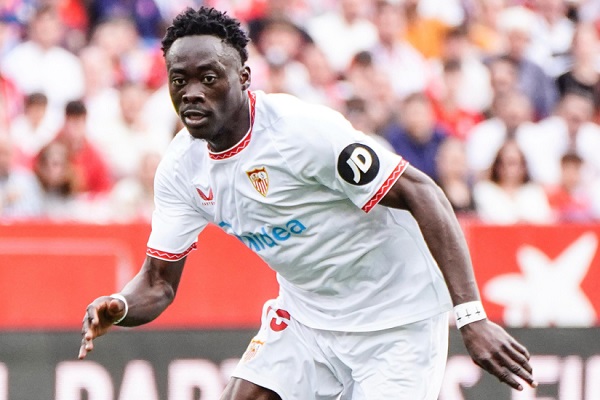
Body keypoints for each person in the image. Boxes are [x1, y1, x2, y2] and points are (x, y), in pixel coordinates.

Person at [79, 7, 537, 399]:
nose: (191, 92)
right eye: (179, 80)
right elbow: (158, 283)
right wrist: (119, 305)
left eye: (209, 78)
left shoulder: (300, 131)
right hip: (307, 317)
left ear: (243, 78)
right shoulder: (180, 169)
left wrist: (471, 316)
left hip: (397, 321)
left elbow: (424, 193)